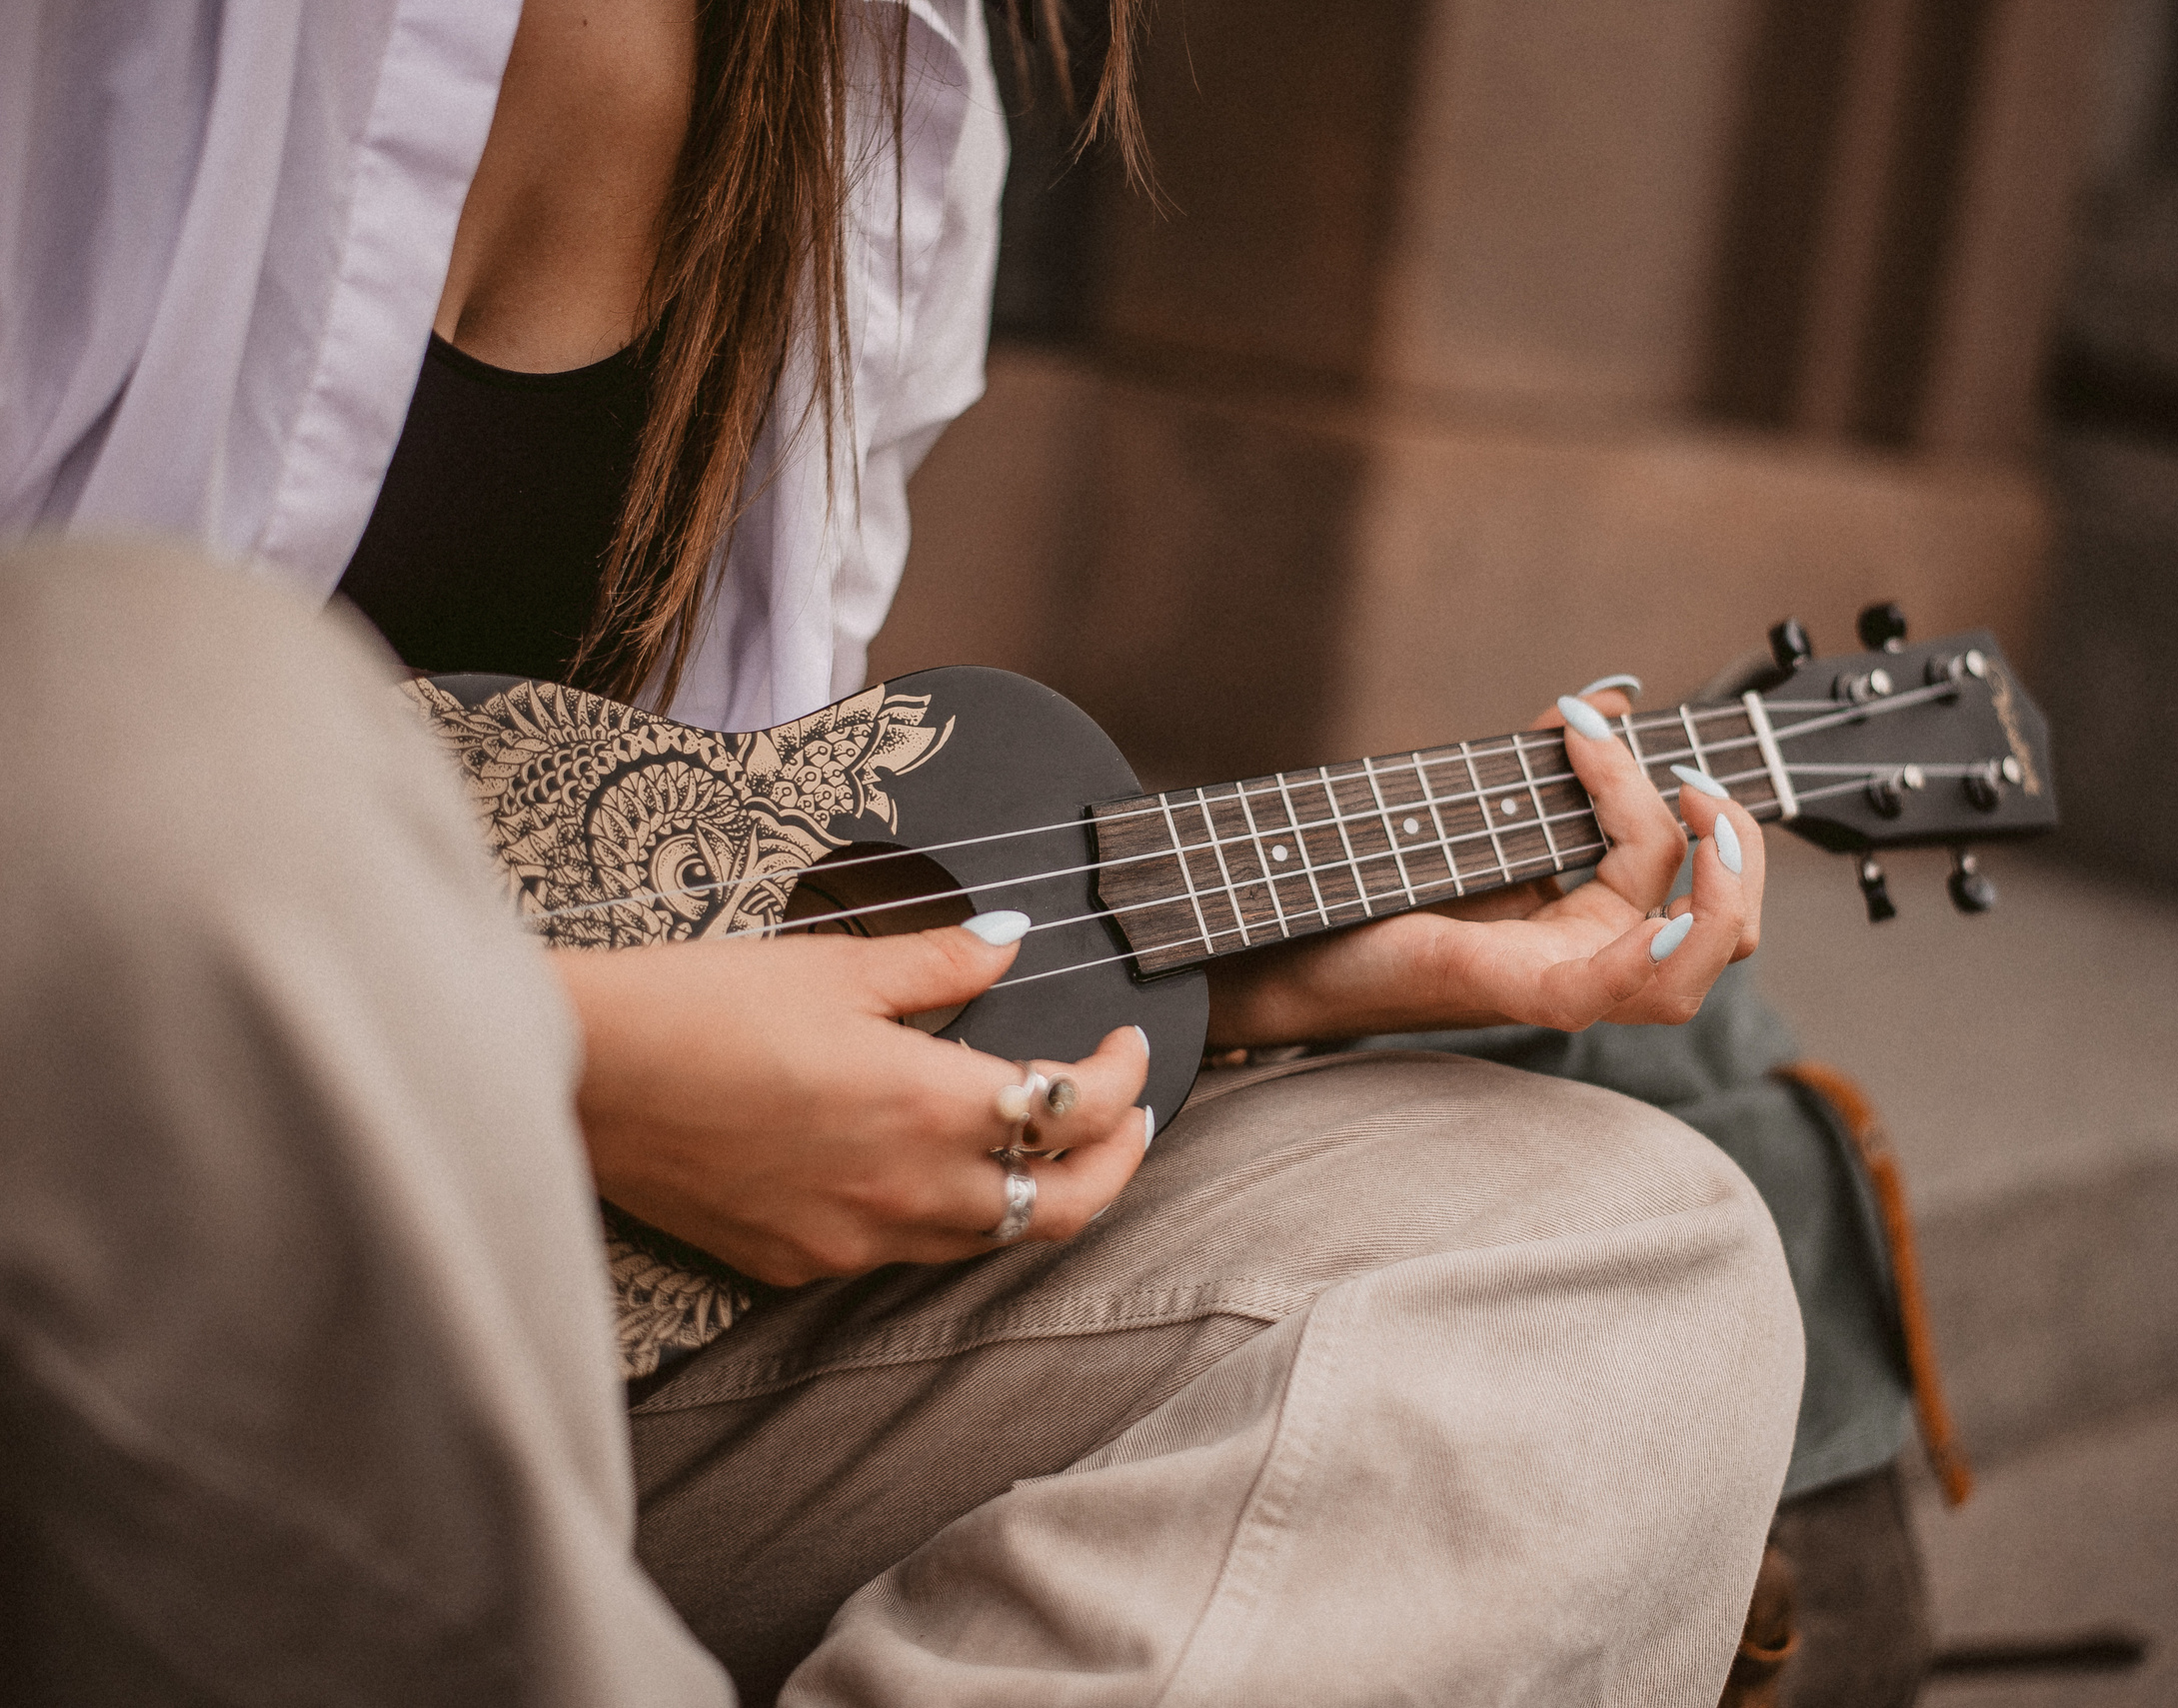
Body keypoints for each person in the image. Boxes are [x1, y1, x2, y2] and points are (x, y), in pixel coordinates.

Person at [0, 3, 1805, 1703]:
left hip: (572, 1372)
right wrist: (558, 1067)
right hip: (101, 1322)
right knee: (165, 695)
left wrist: (1221, 967)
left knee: (1629, 1261)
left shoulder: (887, 90)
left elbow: (698, 857)